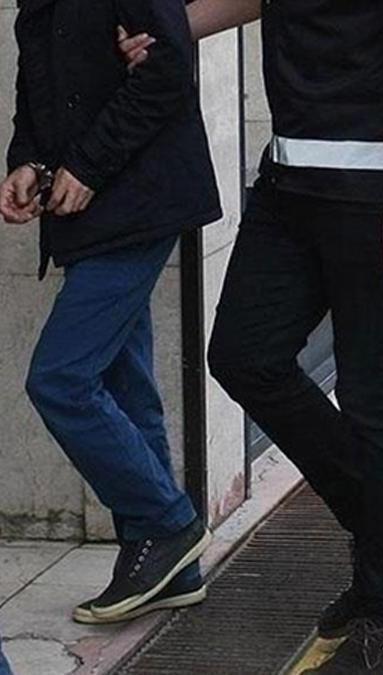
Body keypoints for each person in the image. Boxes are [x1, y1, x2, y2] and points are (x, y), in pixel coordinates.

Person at [120, 0, 383, 669]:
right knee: (244, 355)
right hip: (295, 183)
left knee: (377, 400)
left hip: (382, 191)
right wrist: (172, 26)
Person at [2, 0, 219, 624]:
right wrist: (29, 161)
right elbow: (38, 77)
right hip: (90, 211)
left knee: (60, 379)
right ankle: (168, 567)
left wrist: (87, 164)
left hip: (140, 197)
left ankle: (168, 523)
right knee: (125, 383)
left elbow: (167, 69)